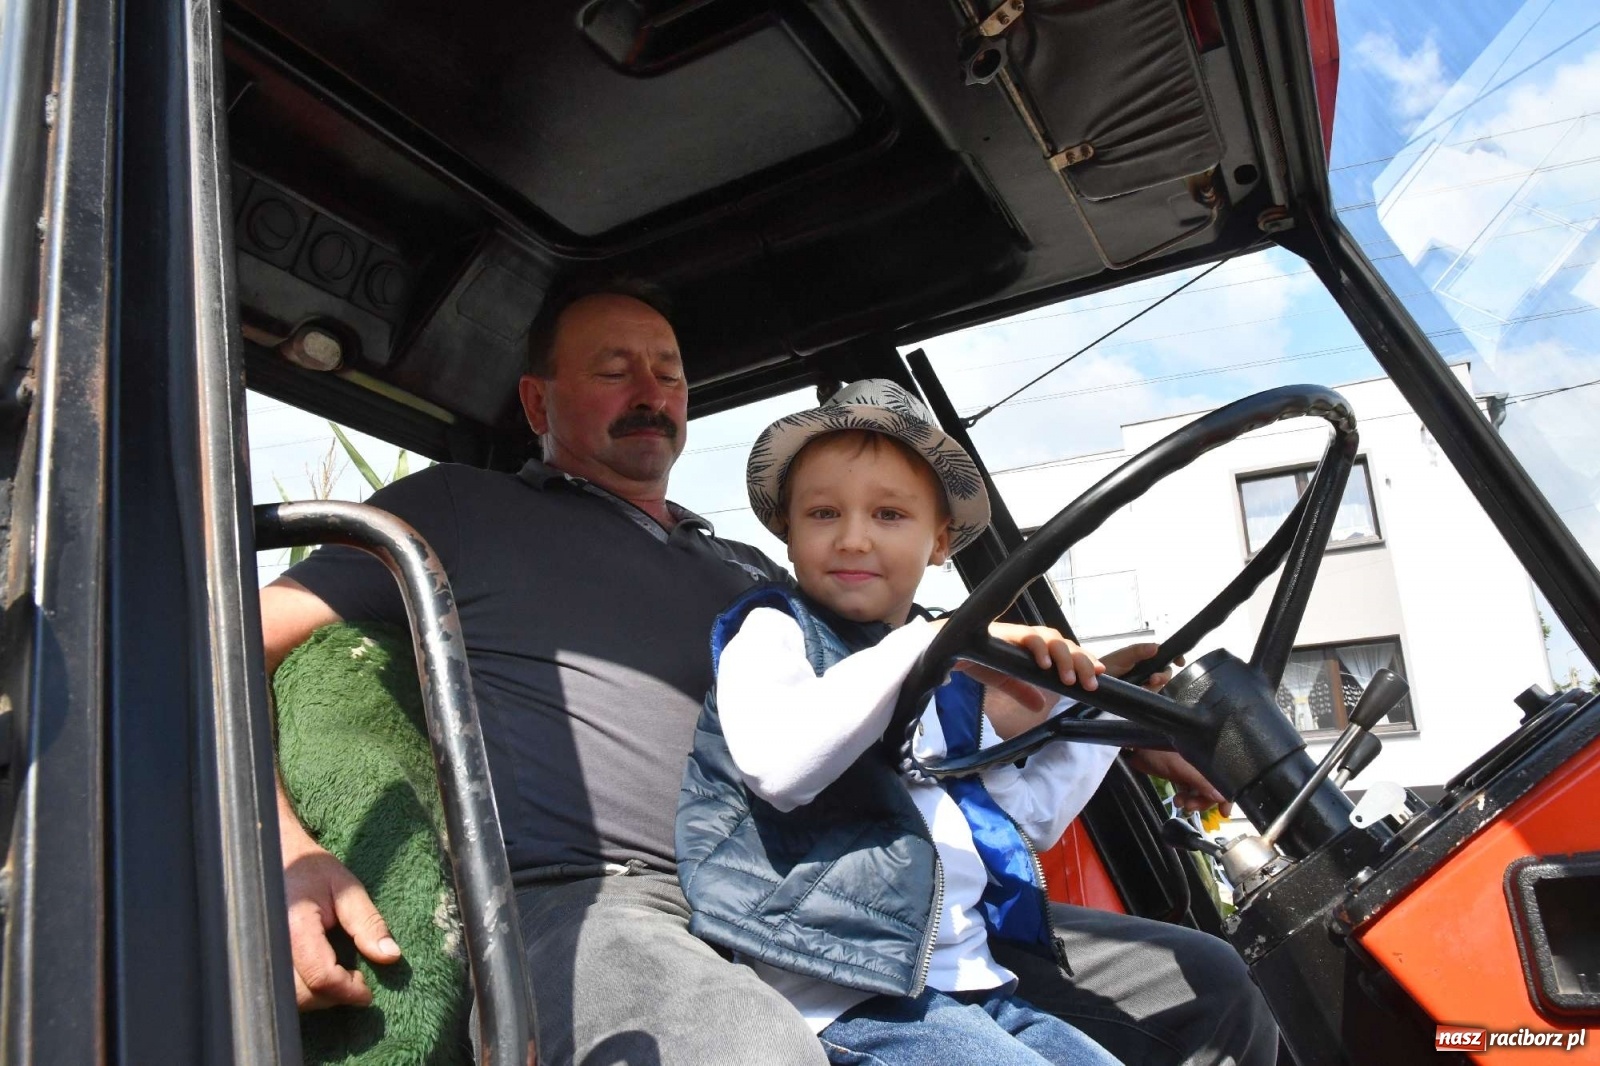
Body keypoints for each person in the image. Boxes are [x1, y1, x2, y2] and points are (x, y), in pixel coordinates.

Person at [261, 278, 1277, 1065]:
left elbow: (913, 686)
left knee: (1205, 980)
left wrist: (1112, 707)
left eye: (668, 372)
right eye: (614, 370)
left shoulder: (750, 567)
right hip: (606, 896)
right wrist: (278, 847)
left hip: (816, 873)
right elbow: (231, 641)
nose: (651, 393)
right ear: (539, 399)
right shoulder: (462, 511)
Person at [680, 381, 1147, 1064]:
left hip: (975, 984)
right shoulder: (773, 632)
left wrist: (1104, 709)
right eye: (823, 513)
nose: (853, 538)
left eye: (889, 514)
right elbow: (780, 768)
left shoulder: (949, 678)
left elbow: (1022, 821)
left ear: (940, 541)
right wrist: (933, 641)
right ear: (787, 533)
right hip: (843, 991)